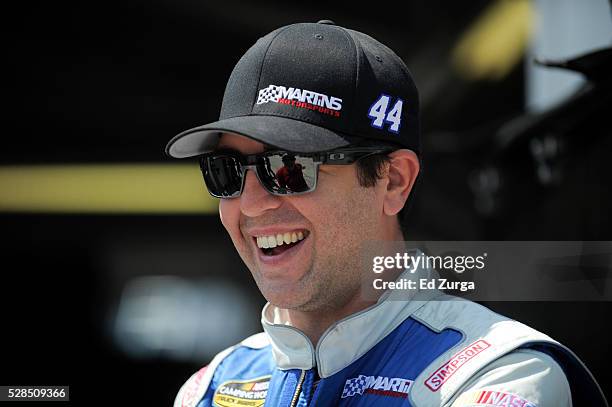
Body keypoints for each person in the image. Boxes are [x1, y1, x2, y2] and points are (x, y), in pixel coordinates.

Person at [165, 21, 607, 407]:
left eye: (289, 168)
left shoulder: (501, 375)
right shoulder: (213, 387)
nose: (251, 203)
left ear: (393, 180)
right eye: (225, 172)